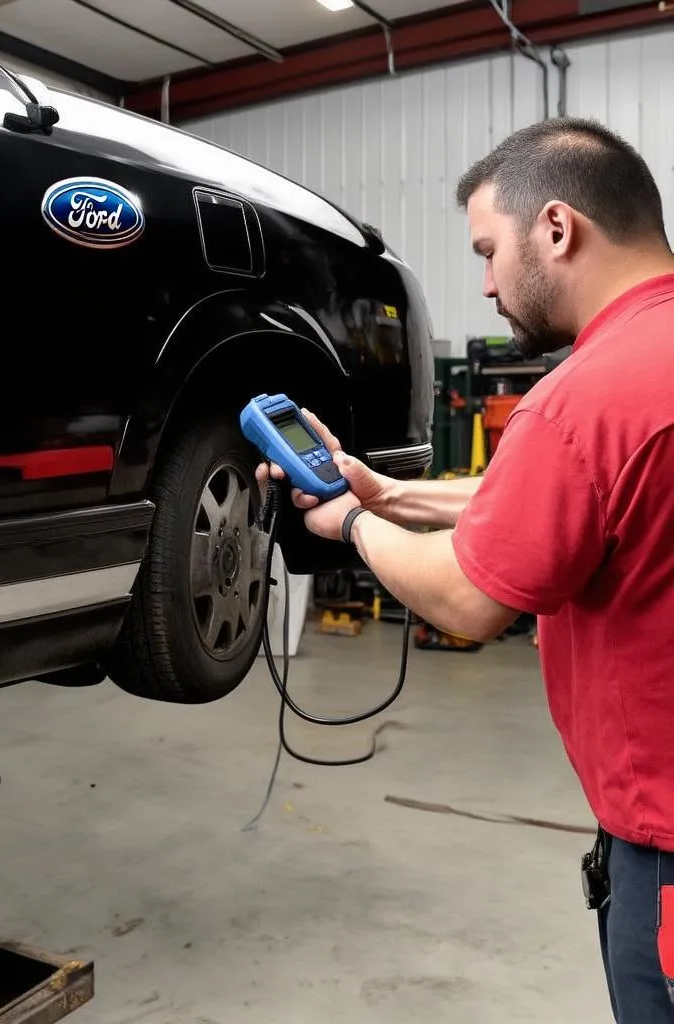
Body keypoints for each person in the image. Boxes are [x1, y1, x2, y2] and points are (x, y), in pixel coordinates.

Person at [257, 116, 674, 1021]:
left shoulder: (586, 393)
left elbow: (469, 597)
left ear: (557, 229)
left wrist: (346, 523)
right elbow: (583, 495)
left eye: (489, 250)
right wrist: (392, 496)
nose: (484, 282)